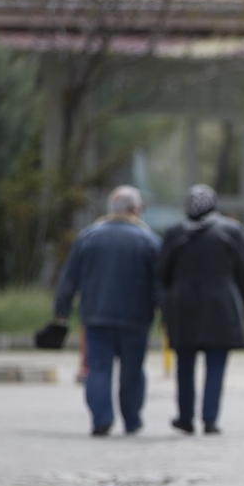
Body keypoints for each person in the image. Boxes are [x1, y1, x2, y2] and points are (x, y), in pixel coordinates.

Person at [52, 186, 161, 436]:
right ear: (134, 209)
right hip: (136, 317)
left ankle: (101, 419)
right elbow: (160, 283)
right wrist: (168, 314)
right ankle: (132, 420)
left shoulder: (88, 237)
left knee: (98, 368)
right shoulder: (149, 240)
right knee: (132, 371)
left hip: (96, 316)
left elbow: (69, 278)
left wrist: (62, 310)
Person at [157, 185, 244, 436]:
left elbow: (162, 273)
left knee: (184, 364)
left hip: (182, 306)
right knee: (216, 364)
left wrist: (166, 308)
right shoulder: (231, 230)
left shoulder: (175, 231)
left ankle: (185, 417)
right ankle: (210, 419)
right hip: (220, 305)